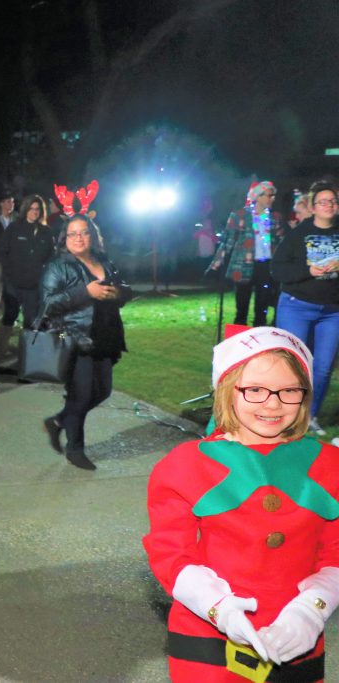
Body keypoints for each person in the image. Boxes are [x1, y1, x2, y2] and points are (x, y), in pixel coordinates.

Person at [144, 326, 339, 682]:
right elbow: (170, 552)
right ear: (227, 389)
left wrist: (314, 608)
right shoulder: (186, 465)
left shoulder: (329, 463)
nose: (273, 403)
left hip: (296, 637)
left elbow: (336, 551)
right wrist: (217, 607)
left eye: (289, 391)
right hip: (206, 640)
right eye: (255, 390)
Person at [40, 189, 132, 471]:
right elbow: (47, 305)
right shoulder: (58, 266)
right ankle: (75, 449)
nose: (79, 238)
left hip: (106, 336)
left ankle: (57, 422)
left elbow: (125, 290)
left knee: (102, 392)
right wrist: (85, 292)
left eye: (84, 233)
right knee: (80, 395)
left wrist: (118, 293)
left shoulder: (104, 261)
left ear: (92, 235)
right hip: (75, 339)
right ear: (65, 239)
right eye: (72, 234)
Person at [272, 181, 339, 436]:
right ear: (312, 207)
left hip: (332, 311)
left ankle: (310, 416)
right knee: (294, 365)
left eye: (332, 201)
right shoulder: (299, 234)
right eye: (323, 201)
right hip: (297, 306)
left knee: (322, 368)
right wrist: (308, 270)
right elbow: (278, 269)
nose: (329, 206)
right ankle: (287, 416)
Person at [207, 181, 285, 327]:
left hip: (266, 267)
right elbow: (227, 242)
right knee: (241, 308)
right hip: (244, 266)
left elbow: (281, 242)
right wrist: (214, 267)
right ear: (258, 196)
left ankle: (260, 340)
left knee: (262, 309)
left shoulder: (274, 217)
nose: (272, 198)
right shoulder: (240, 215)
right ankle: (240, 341)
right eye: (269, 195)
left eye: (273, 195)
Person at [0, 193, 53, 358]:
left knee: (31, 319)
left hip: (34, 285)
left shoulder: (46, 232)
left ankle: (27, 354)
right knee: (10, 315)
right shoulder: (13, 228)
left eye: (37, 209)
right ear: (25, 209)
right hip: (13, 283)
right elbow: (1, 252)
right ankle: (2, 347)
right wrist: (10, 273)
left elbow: (50, 257)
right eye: (31, 209)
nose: (34, 212)